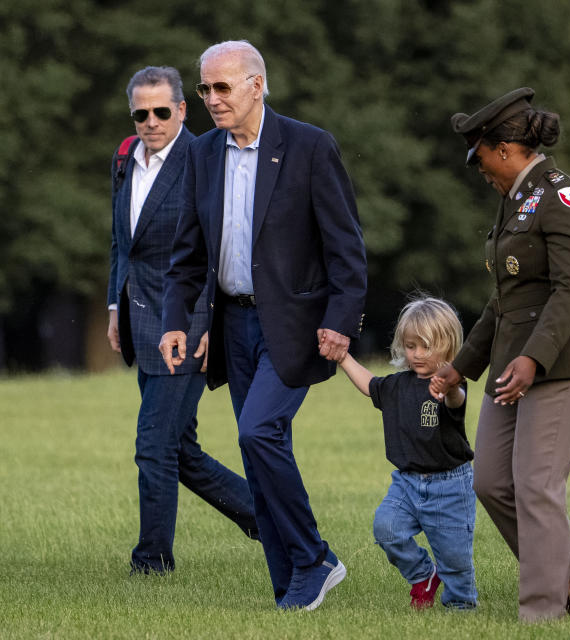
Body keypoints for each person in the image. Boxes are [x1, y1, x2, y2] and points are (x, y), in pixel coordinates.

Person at [158, 41, 368, 610]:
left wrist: (341, 321)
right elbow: (187, 255)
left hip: (295, 325)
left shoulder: (309, 146)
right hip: (232, 326)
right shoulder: (200, 154)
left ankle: (314, 557)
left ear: (257, 85)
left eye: (221, 87)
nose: (211, 99)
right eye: (204, 88)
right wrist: (177, 321)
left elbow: (346, 249)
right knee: (259, 450)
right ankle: (291, 586)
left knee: (258, 433)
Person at [430, 87, 570, 622]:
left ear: (506, 148)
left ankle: (542, 611)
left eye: (482, 157)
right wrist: (461, 365)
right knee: (490, 480)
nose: (480, 169)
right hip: (514, 365)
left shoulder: (563, 197)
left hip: (562, 363)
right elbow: (503, 304)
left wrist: (534, 360)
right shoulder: (514, 199)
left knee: (536, 484)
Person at [107, 65, 257, 576]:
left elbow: (219, 248)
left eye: (161, 111)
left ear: (182, 110)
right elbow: (120, 244)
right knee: (179, 449)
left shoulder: (203, 157)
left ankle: (151, 561)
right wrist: (114, 307)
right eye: (140, 113)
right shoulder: (125, 158)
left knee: (153, 444)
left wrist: (214, 323)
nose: (150, 122)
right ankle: (270, 518)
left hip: (188, 322)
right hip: (140, 319)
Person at [333, 296, 477, 610]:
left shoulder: (450, 387)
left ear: (448, 345)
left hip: (450, 486)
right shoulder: (398, 385)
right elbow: (370, 384)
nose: (417, 354)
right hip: (407, 484)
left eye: (426, 346)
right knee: (387, 529)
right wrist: (343, 358)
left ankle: (462, 607)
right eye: (411, 346)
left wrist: (449, 387)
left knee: (455, 560)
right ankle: (423, 575)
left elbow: (457, 401)